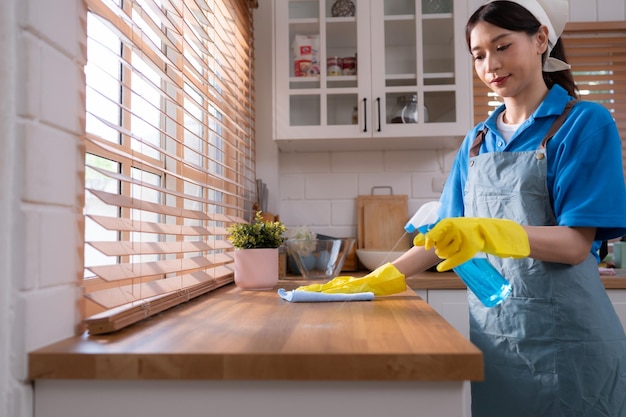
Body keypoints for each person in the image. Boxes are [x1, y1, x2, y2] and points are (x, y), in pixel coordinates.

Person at [393, 0, 626, 415]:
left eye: (502, 47)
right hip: (497, 340)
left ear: (540, 40)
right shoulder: (477, 141)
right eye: (479, 55)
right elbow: (443, 235)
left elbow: (575, 244)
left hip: (572, 343)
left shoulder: (584, 123)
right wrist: (379, 278)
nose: (491, 66)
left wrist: (485, 231)